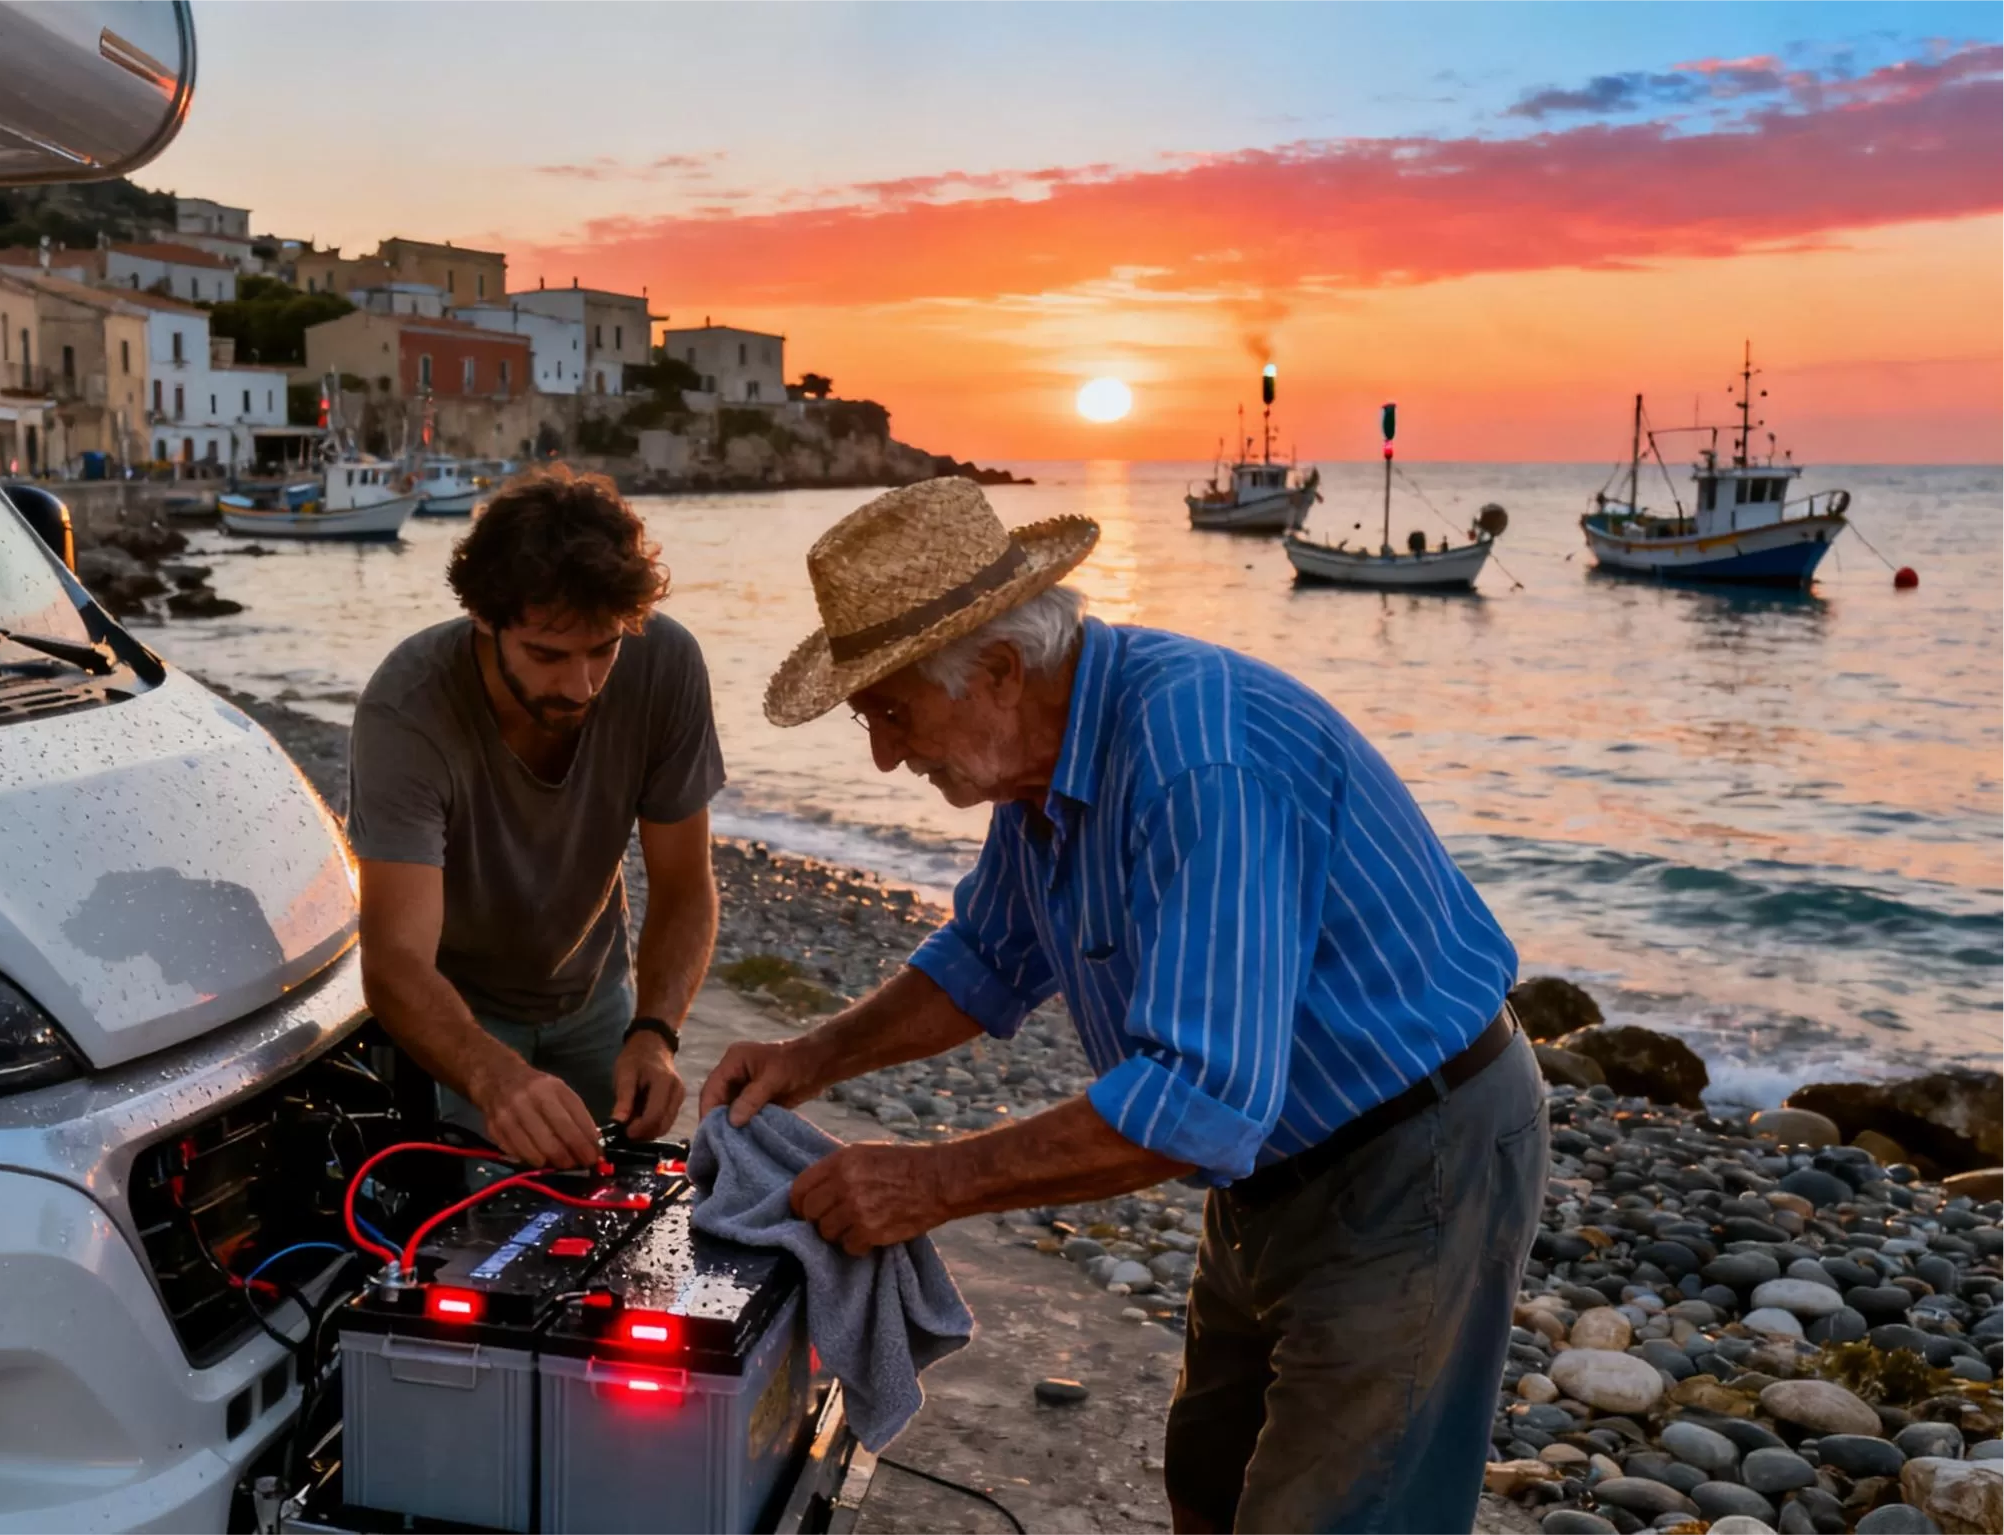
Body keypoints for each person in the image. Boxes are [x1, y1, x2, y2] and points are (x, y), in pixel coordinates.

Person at [700, 478, 1545, 1533]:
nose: (882, 750)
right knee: (1210, 1480)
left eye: (889, 708)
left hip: (1415, 1149)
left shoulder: (1196, 760)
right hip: (1268, 1174)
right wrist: (808, 1057)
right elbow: (988, 956)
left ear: (999, 669)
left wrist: (930, 1180)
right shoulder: (1036, 760)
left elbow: (1197, 1096)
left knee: (1341, 1511)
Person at [350, 467, 723, 1168]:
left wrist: (655, 1033)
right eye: (548, 655)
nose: (581, 685)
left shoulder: (667, 662)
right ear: (485, 618)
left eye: (604, 649)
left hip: (597, 994)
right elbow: (395, 961)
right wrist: (494, 1077)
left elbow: (683, 883)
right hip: (458, 1009)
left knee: (609, 1204)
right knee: (477, 1234)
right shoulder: (407, 710)